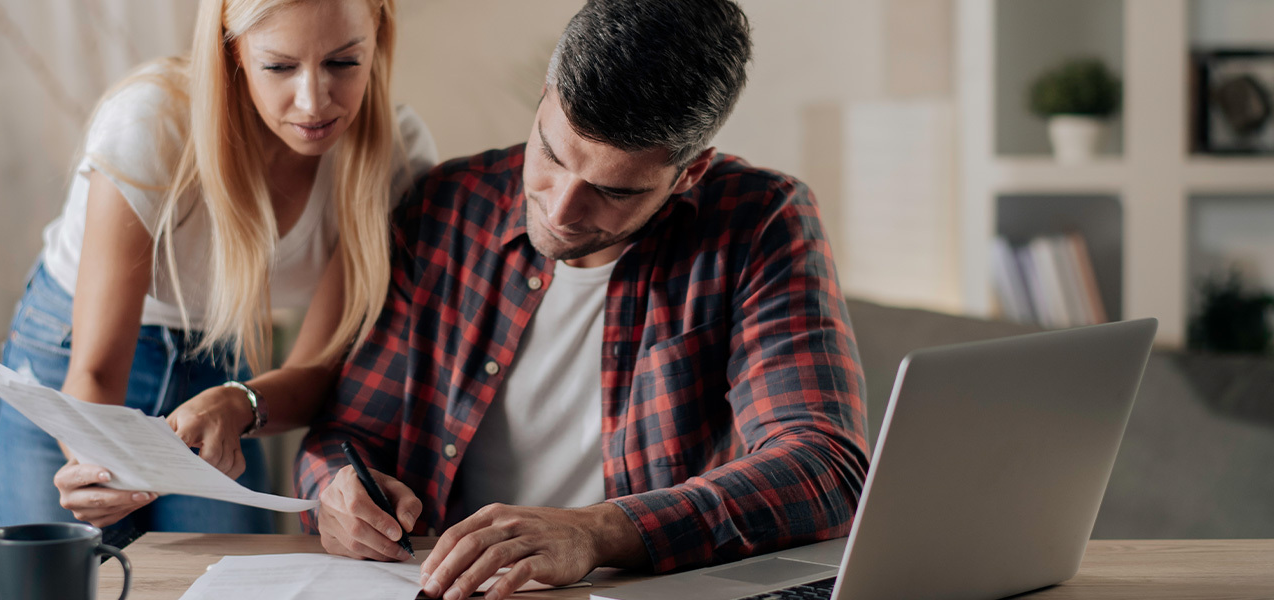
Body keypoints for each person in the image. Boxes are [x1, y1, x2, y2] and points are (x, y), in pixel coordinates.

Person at [295, 0, 869, 597]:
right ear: (544, 99)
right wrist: (336, 491)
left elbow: (825, 469)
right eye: (551, 154)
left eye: (612, 190)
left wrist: (596, 532)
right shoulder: (445, 206)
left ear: (689, 173)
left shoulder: (759, 221)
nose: (562, 210)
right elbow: (347, 431)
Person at [0, 0, 436, 533]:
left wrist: (239, 400)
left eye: (343, 63)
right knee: (67, 576)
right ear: (233, 52)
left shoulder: (393, 158)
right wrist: (91, 464)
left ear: (378, 38)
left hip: (218, 360)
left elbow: (319, 370)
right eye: (279, 66)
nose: (314, 102)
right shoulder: (150, 124)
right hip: (75, 355)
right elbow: (97, 370)